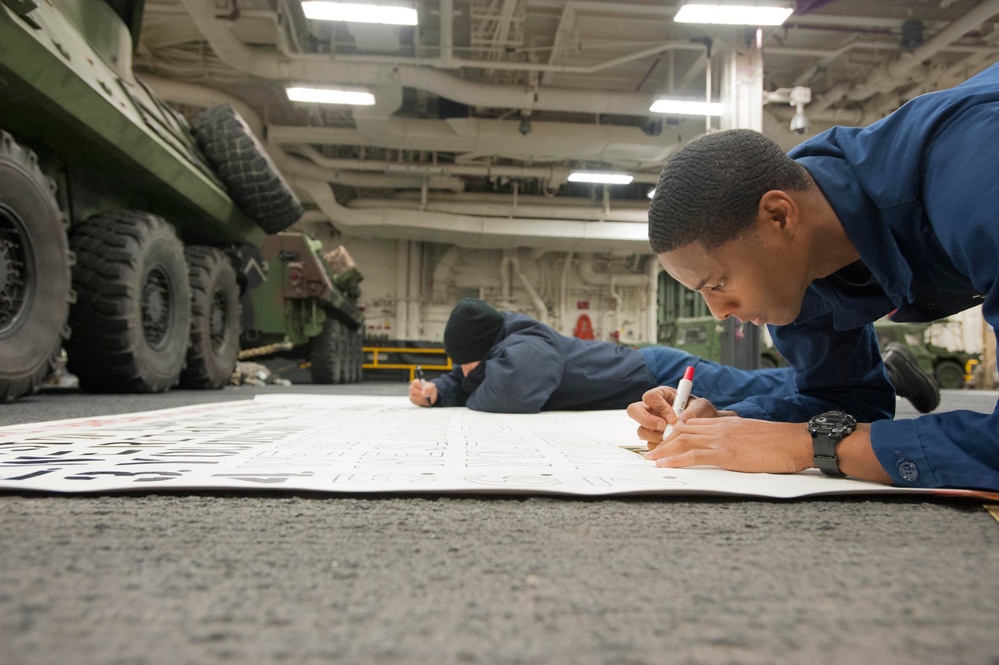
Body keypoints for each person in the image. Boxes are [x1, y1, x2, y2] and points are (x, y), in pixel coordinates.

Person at [630, 61, 999, 491]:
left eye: (718, 283)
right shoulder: (799, 259)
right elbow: (848, 405)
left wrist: (809, 445)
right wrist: (727, 425)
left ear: (779, 215)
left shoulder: (974, 175)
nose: (718, 312)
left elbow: (831, 435)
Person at [409, 298, 939, 415]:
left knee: (759, 392)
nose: (464, 373)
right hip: (646, 369)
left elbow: (514, 394)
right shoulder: (500, 347)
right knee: (756, 385)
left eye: (466, 365)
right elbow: (481, 381)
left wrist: (464, 389)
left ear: (486, 351)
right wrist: (442, 390)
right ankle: (880, 374)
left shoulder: (522, 348)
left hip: (657, 371)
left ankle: (883, 373)